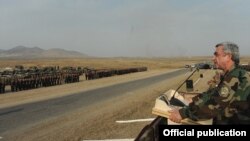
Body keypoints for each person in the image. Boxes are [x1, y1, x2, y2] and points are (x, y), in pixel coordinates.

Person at [169, 42, 250, 124]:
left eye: (216, 55)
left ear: (228, 56)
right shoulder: (233, 74)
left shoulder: (235, 77)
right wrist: (193, 99)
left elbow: (214, 105)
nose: (213, 58)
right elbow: (213, 94)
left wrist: (182, 113)